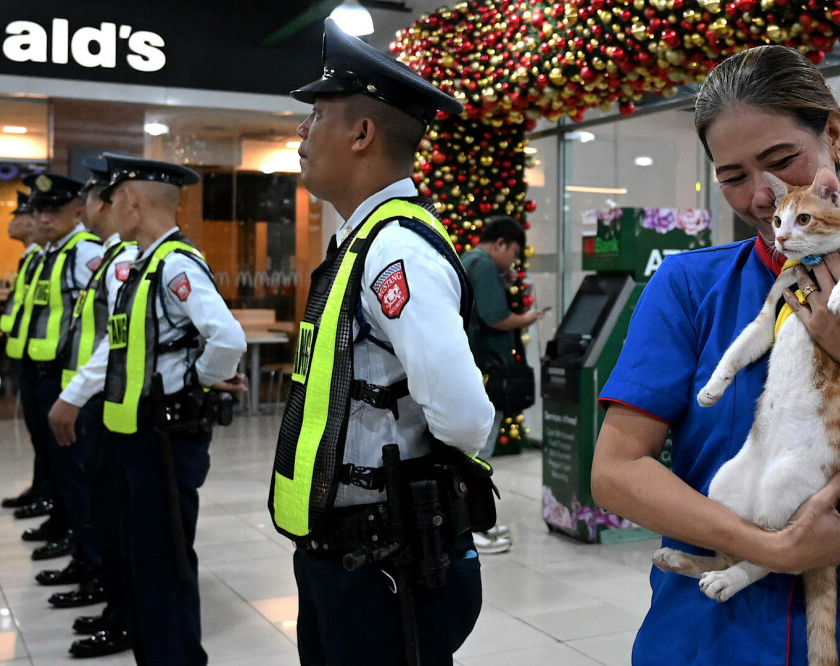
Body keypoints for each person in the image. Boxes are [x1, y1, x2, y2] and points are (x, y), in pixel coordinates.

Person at [590, 45, 840, 665]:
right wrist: (770, 550)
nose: (758, 197)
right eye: (732, 176)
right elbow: (615, 472)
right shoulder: (689, 288)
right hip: (708, 636)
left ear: (832, 134)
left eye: (780, 162)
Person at [269, 18, 494, 665]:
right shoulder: (361, 242)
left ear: (362, 134)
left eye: (316, 118)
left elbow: (467, 417)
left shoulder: (395, 249)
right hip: (344, 556)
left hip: (383, 562)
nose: (302, 136)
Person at [93, 153, 247, 665]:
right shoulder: (143, 265)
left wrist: (198, 382)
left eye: (114, 199)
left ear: (133, 201)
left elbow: (227, 338)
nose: (109, 208)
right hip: (135, 434)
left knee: (165, 564)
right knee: (143, 560)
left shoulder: (175, 264)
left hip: (163, 438)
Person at [45, 155, 140, 657]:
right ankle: (111, 601)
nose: (82, 206)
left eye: (90, 197)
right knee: (101, 510)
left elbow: (115, 343)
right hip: (97, 400)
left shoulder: (123, 259)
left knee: (112, 515)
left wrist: (74, 394)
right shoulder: (108, 255)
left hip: (107, 401)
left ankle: (120, 610)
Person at [17, 173, 103, 563]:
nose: (44, 219)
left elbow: (103, 317)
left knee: (74, 468)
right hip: (44, 369)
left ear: (79, 212)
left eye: (54, 211)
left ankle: (84, 547)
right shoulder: (54, 251)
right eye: (40, 211)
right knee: (54, 458)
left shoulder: (84, 253)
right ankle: (64, 524)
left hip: (71, 376)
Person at [462, 215, 544, 554]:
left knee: (473, 451)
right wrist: (528, 319)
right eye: (512, 252)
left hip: (471, 367)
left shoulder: (471, 260)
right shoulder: (481, 265)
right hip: (485, 370)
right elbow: (496, 317)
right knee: (479, 452)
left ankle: (479, 522)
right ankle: (472, 526)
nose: (513, 260)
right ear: (500, 244)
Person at [0, 191, 51, 514]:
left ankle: (50, 496)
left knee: (50, 438)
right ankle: (41, 489)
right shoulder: (32, 258)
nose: (12, 222)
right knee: (38, 434)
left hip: (45, 359)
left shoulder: (47, 257)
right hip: (27, 352)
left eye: (20, 216)